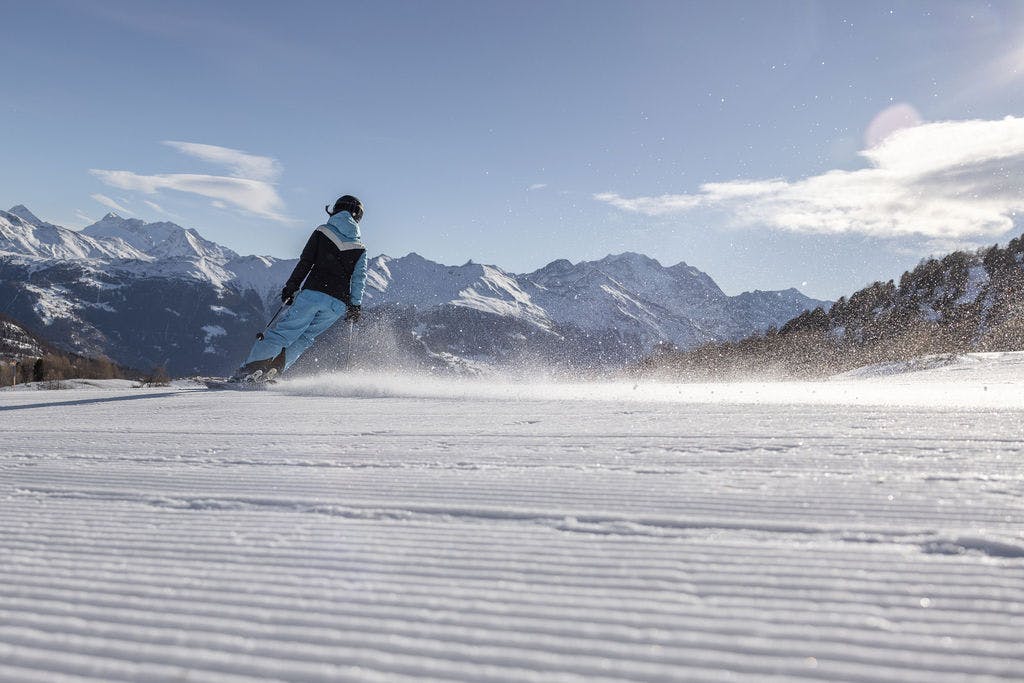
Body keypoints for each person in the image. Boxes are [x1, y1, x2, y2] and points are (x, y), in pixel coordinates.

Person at [231, 195, 367, 382]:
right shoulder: (360, 247)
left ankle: (251, 370)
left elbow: (306, 262)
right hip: (337, 305)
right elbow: (359, 279)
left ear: (335, 210)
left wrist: (292, 286)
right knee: (305, 338)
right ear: (357, 217)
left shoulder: (323, 231)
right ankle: (275, 370)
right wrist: (355, 306)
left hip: (314, 295)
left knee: (283, 333)